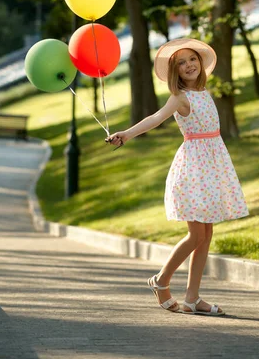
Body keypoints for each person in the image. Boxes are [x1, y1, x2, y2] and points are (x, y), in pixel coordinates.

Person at [106, 38, 249, 316]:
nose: (188, 65)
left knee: (206, 234)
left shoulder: (204, 92)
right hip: (194, 171)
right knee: (195, 234)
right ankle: (161, 281)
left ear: (200, 62)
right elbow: (155, 118)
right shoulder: (180, 98)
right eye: (181, 63)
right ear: (175, 71)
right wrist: (127, 134)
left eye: (192, 59)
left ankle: (193, 297)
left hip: (212, 167)